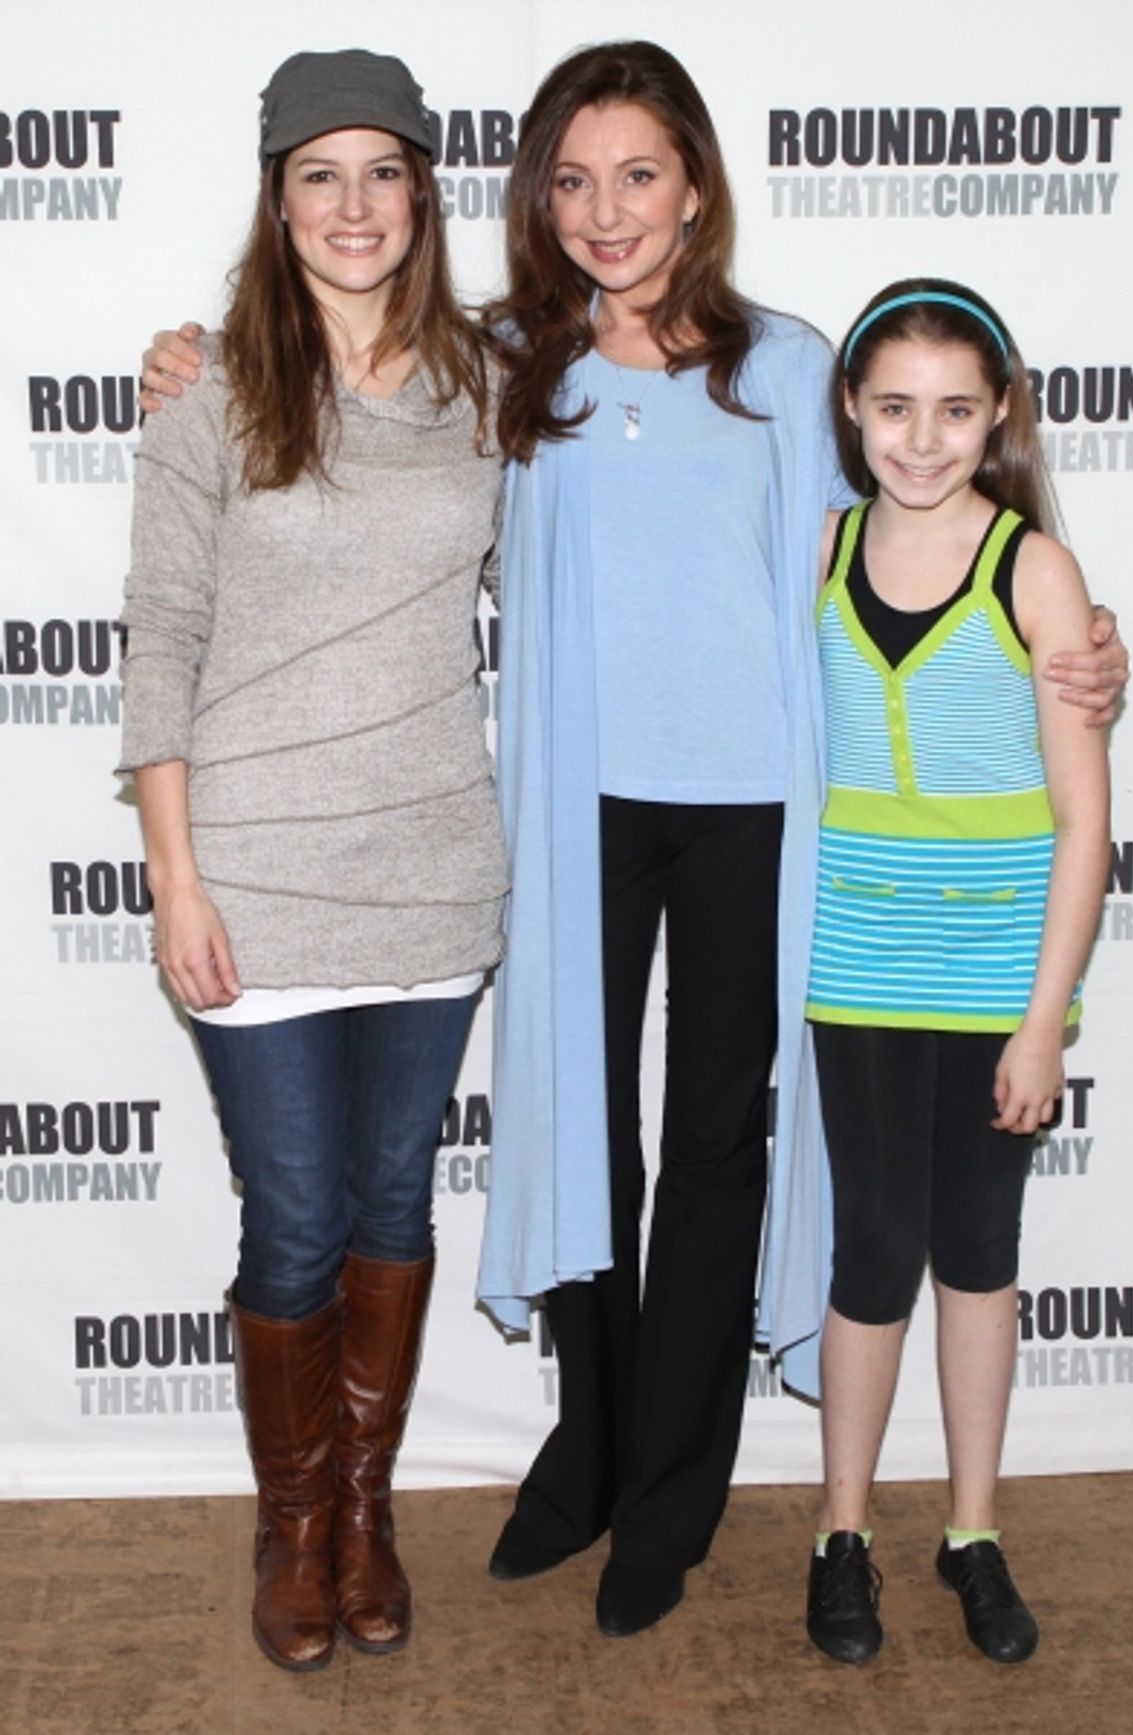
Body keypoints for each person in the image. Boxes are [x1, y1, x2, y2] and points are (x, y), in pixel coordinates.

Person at [138, 42, 1127, 1644]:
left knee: (716, 1152)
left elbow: (917, 542)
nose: (607, 212)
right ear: (538, 196)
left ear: (696, 187)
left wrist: (1082, 641)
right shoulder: (494, 364)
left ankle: (674, 1492)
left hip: (754, 814)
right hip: (569, 805)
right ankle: (583, 1458)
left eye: (639, 176)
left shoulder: (800, 368)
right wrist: (187, 358)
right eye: (573, 180)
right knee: (585, 1132)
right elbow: (322, 370)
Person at [119, 49, 507, 1673]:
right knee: (292, 1223)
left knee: (392, 1206)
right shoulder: (207, 392)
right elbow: (162, 640)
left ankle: (367, 1512)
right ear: (277, 201)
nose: (354, 205)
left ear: (423, 193)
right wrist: (174, 877)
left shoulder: (494, 388)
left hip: (432, 874)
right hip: (255, 882)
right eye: (319, 174)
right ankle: (291, 1529)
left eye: (383, 171)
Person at [802, 281, 1110, 1668]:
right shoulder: (815, 545)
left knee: (979, 1256)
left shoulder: (1034, 567)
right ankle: (843, 1534)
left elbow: (1085, 820)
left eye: (954, 411)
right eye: (891, 408)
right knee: (871, 1253)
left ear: (998, 419)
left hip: (999, 976)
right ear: (853, 411)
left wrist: (1043, 1023)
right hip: (857, 965)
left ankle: (973, 1531)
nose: (920, 439)